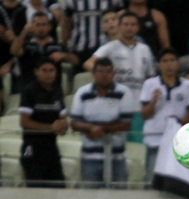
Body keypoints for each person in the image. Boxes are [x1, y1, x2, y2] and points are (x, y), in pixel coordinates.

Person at [84, 11, 156, 142]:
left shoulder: (145, 49)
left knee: (137, 150)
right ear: (120, 26)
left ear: (138, 27)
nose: (129, 27)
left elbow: (150, 78)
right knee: (115, 146)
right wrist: (105, 76)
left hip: (138, 108)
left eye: (133, 24)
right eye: (126, 24)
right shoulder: (110, 47)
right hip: (114, 106)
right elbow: (89, 64)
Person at [70, 57, 135, 188]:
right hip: (90, 157)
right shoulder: (82, 93)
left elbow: (125, 125)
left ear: (113, 74)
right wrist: (93, 128)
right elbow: (74, 123)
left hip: (117, 157)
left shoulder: (124, 92)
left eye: (108, 71)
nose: (104, 75)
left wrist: (97, 130)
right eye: (100, 71)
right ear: (93, 73)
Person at [141, 48, 189, 185]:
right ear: (158, 65)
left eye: (172, 60)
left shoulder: (187, 85)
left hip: (178, 142)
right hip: (155, 139)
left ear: (178, 63)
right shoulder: (150, 84)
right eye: (164, 61)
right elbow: (144, 114)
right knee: (152, 180)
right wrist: (153, 101)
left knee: (176, 181)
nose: (169, 64)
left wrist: (178, 123)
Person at [19, 57, 67, 187]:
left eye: (51, 70)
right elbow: (24, 122)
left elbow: (63, 118)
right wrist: (51, 128)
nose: (48, 74)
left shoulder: (57, 90)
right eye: (44, 70)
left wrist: (63, 126)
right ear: (36, 72)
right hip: (32, 146)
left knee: (58, 188)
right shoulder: (29, 91)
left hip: (52, 147)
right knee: (36, 190)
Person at [11, 12, 77, 90]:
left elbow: (76, 61)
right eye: (38, 25)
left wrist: (64, 56)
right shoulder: (27, 45)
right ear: (32, 26)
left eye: (44, 24)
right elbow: (14, 51)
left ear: (49, 26)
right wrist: (24, 32)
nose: (41, 28)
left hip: (53, 90)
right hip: (29, 90)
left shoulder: (57, 46)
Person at [61, 0, 124, 68]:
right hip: (80, 48)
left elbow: (121, 17)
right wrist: (64, 45)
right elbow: (66, 23)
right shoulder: (71, 1)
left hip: (105, 46)